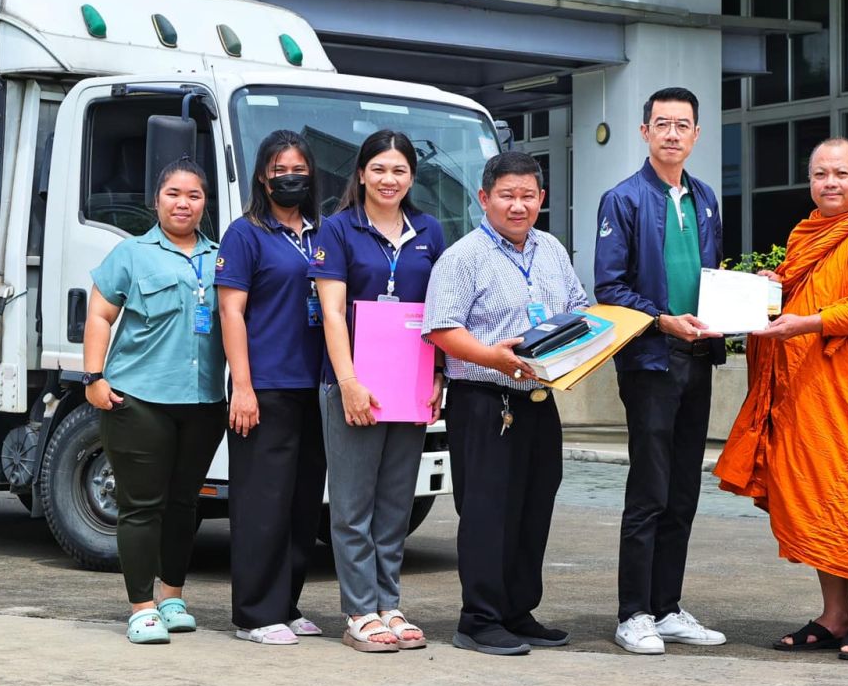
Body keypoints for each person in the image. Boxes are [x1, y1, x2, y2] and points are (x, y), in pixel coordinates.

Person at [715, 138, 848, 661]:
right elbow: (801, 293)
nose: (829, 183)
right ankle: (833, 616)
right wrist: (770, 289)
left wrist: (807, 322)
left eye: (840, 174)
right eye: (820, 174)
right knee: (815, 496)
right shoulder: (806, 232)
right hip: (803, 383)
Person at [424, 151, 590, 656]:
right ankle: (479, 618)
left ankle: (518, 611)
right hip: (484, 399)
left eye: (527, 196)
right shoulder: (463, 256)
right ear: (484, 198)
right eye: (506, 195)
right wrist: (494, 360)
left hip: (539, 398)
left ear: (541, 198)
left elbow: (579, 308)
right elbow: (443, 329)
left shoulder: (552, 250)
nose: (517, 206)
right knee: (488, 511)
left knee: (532, 507)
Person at [594, 86, 729, 655]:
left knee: (683, 489)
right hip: (651, 358)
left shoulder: (705, 199)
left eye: (683, 125)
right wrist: (664, 322)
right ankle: (633, 613)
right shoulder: (622, 200)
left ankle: (668, 606)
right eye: (662, 124)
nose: (673, 133)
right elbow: (610, 287)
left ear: (697, 135)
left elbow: (712, 276)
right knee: (649, 487)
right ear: (644, 132)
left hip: (699, 357)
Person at [83, 158, 226, 645]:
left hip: (203, 400)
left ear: (205, 203)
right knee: (141, 505)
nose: (183, 203)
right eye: (173, 194)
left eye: (194, 196)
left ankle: (171, 595)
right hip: (138, 397)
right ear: (156, 200)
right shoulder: (132, 254)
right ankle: (141, 606)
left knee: (185, 504)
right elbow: (100, 314)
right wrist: (94, 377)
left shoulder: (220, 257)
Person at [315, 130, 447, 653]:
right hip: (354, 383)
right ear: (362, 174)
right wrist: (348, 382)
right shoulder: (338, 229)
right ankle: (359, 612)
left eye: (399, 171)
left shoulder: (430, 231)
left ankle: (389, 604)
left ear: (411, 176)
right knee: (352, 505)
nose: (388, 180)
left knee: (395, 502)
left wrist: (438, 376)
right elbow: (331, 312)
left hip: (409, 385)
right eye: (379, 169)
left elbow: (440, 314)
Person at [216, 130, 329, 646]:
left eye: (299, 168)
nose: (290, 177)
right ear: (264, 175)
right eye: (280, 168)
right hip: (265, 387)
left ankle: (286, 602)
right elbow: (230, 311)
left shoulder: (321, 232)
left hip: (316, 385)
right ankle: (255, 614)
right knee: (262, 503)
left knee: (303, 503)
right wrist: (243, 385)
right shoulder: (246, 233)